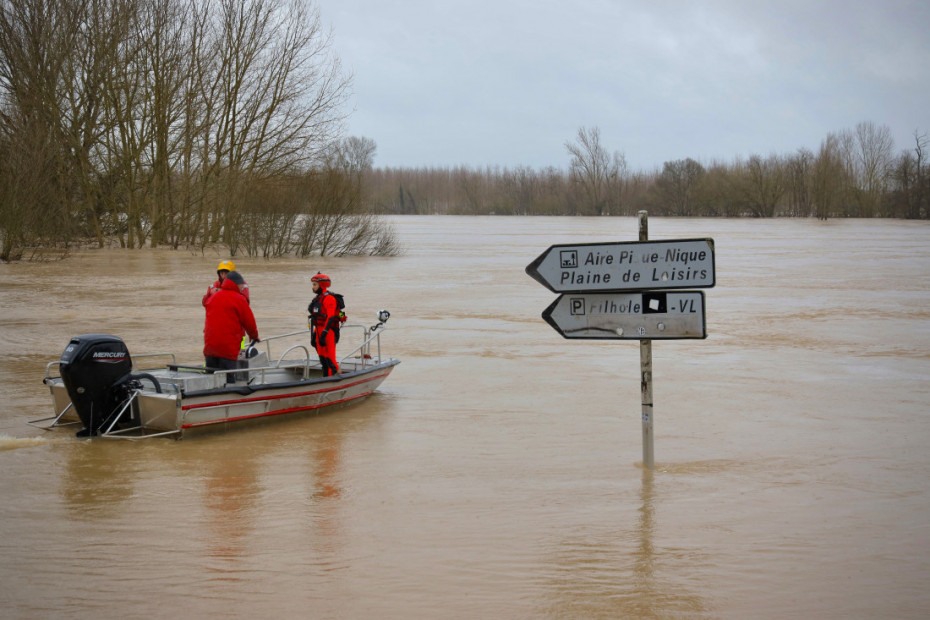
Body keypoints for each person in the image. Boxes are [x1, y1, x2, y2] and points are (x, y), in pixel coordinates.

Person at [204, 270, 259, 383]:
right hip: (227, 350)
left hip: (210, 348)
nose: (242, 288)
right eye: (241, 286)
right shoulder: (239, 299)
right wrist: (254, 336)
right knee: (228, 381)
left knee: (211, 380)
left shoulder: (213, 297)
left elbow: (206, 305)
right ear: (236, 284)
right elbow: (249, 322)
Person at [307, 272, 340, 376]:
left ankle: (336, 378)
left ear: (321, 285)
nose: (313, 287)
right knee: (322, 359)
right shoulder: (318, 298)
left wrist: (324, 333)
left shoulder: (329, 298)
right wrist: (314, 335)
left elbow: (331, 317)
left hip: (328, 332)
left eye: (315, 284)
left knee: (330, 359)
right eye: (313, 284)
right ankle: (325, 379)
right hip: (318, 330)